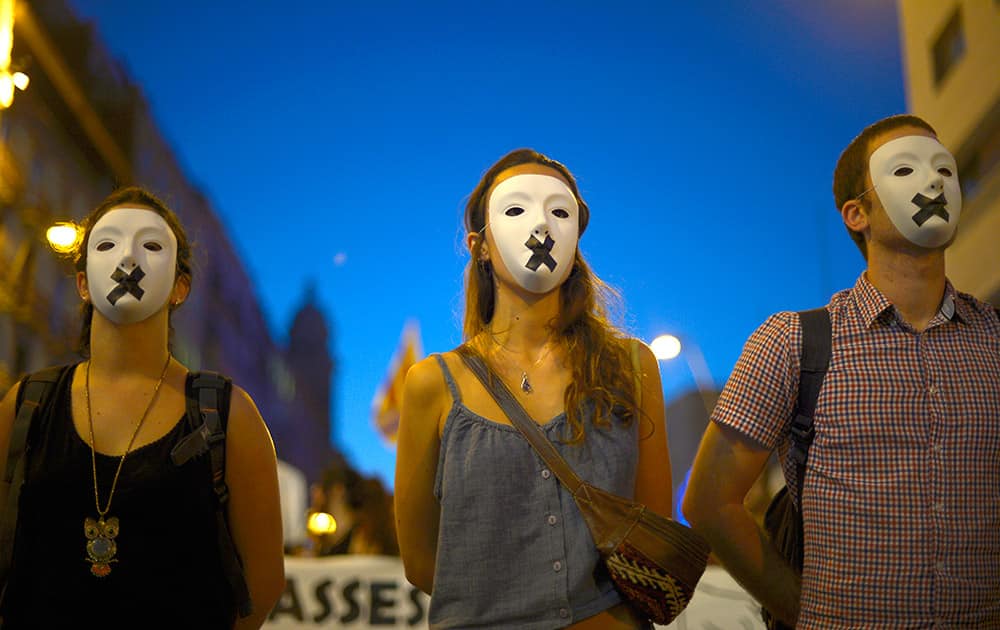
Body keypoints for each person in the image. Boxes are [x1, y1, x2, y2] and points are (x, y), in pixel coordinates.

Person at [682, 114, 1000, 627]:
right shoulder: (792, 343)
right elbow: (710, 503)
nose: (934, 181)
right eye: (904, 170)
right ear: (857, 214)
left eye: (945, 169)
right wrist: (803, 611)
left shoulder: (995, 340)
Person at [395, 149, 672, 629]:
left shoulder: (631, 367)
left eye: (559, 212)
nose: (541, 227)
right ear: (479, 245)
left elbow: (653, 533)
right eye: (517, 209)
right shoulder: (431, 385)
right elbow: (422, 563)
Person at [0, 187, 285, 628]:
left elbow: (263, 584)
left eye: (151, 246)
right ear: (82, 283)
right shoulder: (26, 405)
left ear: (180, 287)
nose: (127, 261)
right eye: (108, 245)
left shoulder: (228, 416)